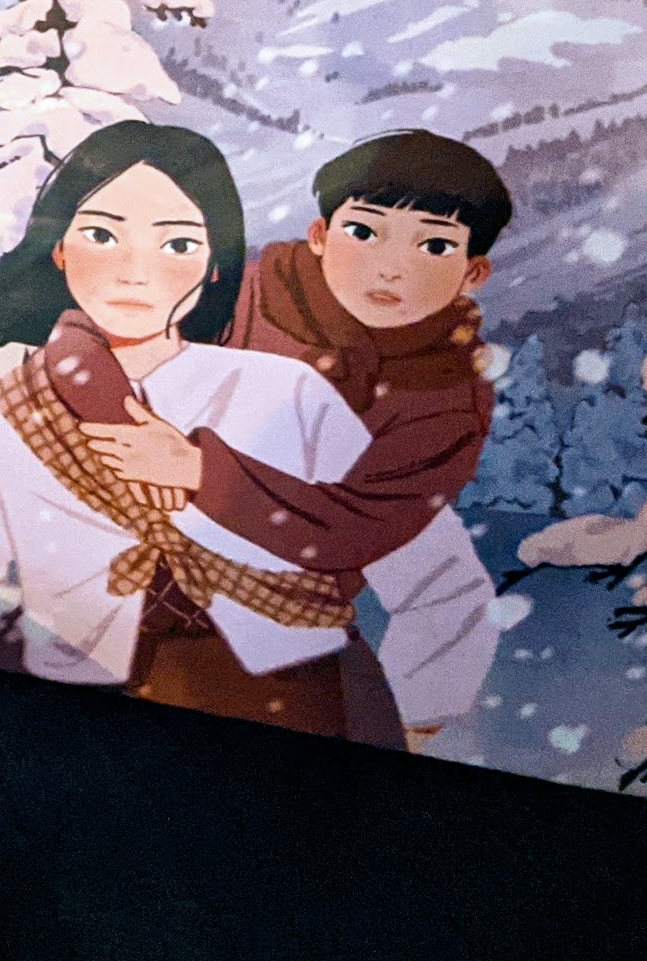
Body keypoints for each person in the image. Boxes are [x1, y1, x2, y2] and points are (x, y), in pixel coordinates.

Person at [0, 122, 387, 739]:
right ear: (58, 250)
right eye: (102, 235)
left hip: (289, 703)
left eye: (178, 244)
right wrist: (14, 683)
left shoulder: (286, 392)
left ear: (215, 264)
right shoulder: (18, 407)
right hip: (81, 716)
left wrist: (210, 477)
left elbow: (398, 542)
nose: (135, 271)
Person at [88, 132, 513, 751]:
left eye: (435, 245)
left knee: (443, 589)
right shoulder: (241, 295)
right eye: (363, 232)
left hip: (281, 615)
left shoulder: (442, 395)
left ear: (473, 272)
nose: (391, 266)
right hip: (121, 576)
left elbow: (370, 527)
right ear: (320, 235)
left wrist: (206, 474)